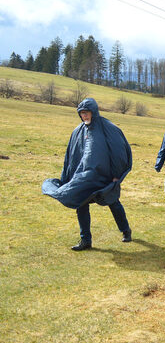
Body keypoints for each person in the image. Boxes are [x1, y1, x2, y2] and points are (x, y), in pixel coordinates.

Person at [42, 98, 132, 250]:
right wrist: (68, 179)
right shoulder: (78, 132)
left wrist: (116, 175)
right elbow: (71, 157)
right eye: (82, 113)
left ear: (94, 112)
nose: (85, 116)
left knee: (113, 202)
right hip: (84, 178)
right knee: (80, 204)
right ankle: (86, 240)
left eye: (87, 113)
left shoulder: (108, 128)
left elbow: (119, 152)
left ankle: (125, 230)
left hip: (105, 176)